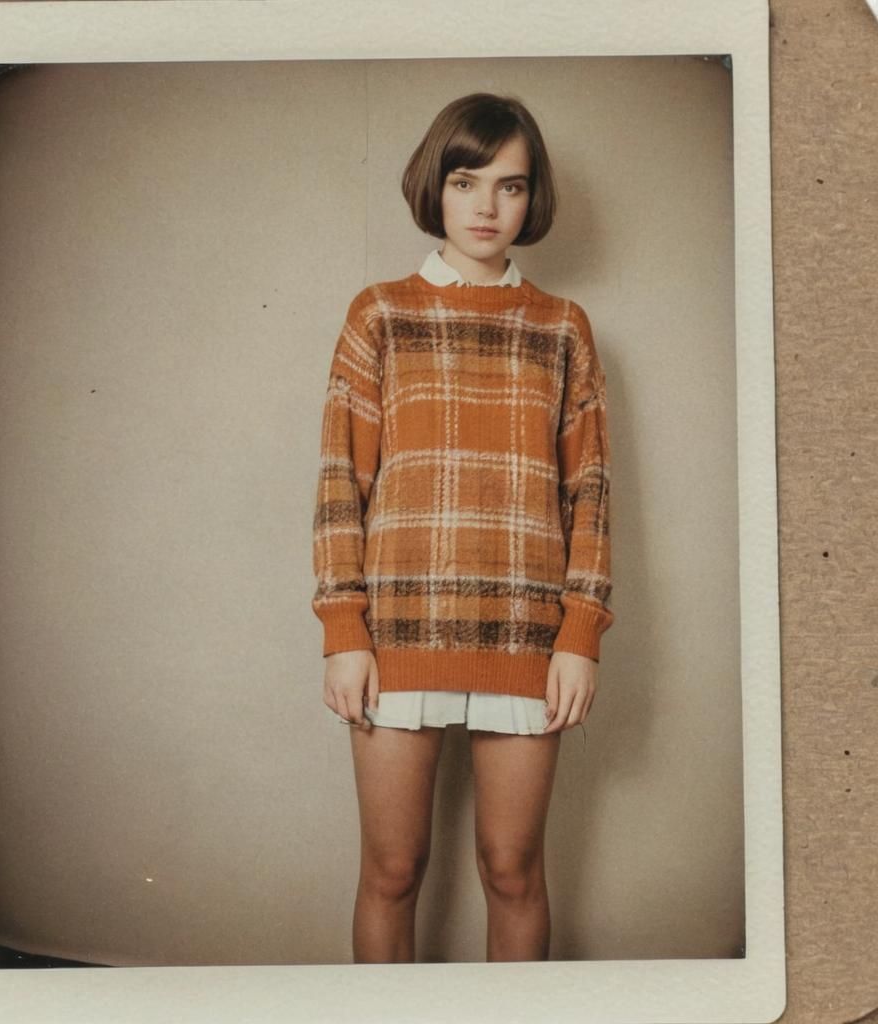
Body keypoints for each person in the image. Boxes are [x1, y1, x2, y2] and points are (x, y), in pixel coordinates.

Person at [311, 92, 614, 964]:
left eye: (510, 187)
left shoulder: (563, 329)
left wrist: (579, 635)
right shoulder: (380, 315)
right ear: (433, 187)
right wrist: (344, 631)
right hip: (397, 631)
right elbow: (341, 482)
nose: (487, 206)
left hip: (527, 635)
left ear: (533, 199)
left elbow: (589, 492)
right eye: (466, 180)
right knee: (393, 871)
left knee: (513, 870)